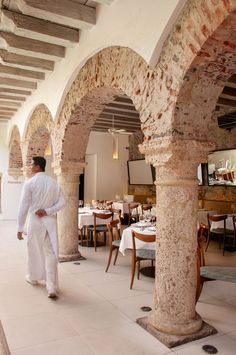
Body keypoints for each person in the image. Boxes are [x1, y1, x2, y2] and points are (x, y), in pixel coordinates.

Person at [17, 156, 65, 299]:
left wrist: (20, 227)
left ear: (38, 166)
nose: (30, 167)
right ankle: (51, 286)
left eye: (31, 164)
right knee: (50, 252)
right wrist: (48, 211)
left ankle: (33, 277)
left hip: (35, 221)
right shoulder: (54, 183)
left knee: (34, 250)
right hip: (49, 221)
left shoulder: (30, 183)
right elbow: (63, 203)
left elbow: (23, 206)